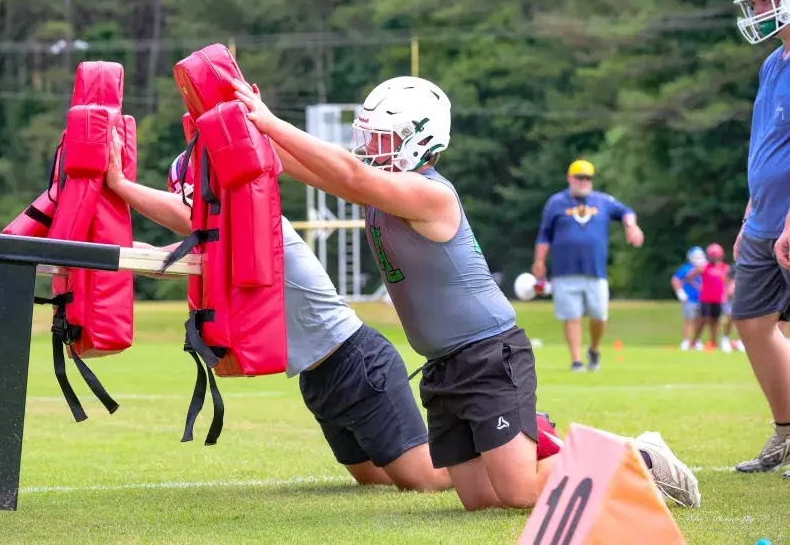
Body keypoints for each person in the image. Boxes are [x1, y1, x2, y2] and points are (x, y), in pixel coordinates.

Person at [231, 75, 700, 509]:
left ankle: (639, 456)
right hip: (444, 362)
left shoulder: (430, 193)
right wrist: (251, 132)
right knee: (481, 499)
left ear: (420, 141)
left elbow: (350, 176)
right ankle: (536, 435)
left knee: (519, 492)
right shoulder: (383, 188)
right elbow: (309, 170)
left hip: (486, 353)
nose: (370, 147)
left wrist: (269, 120)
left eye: (383, 138)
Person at [105, 143, 452, 493]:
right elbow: (158, 260)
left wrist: (121, 184)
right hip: (316, 376)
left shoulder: (257, 226)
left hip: (356, 363)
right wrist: (97, 250)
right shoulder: (216, 246)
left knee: (424, 481)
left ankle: (479, 456)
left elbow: (184, 222)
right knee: (374, 481)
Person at [730, 0, 790, 477]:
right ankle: (786, 432)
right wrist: (751, 211)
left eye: (761, 1)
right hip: (763, 219)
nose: (755, 12)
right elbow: (765, 142)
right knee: (752, 321)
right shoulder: (772, 63)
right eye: (750, 4)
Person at [532, 159, 645, 372]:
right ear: (570, 178)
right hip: (565, 270)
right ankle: (576, 360)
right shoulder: (556, 203)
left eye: (588, 178)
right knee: (571, 316)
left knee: (599, 316)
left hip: (595, 270)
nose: (583, 181)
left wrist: (631, 226)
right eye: (579, 177)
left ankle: (594, 348)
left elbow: (626, 211)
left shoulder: (602, 201)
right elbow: (544, 235)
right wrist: (539, 261)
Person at [685, 244, 730, 350]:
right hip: (706, 299)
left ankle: (714, 342)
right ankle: (694, 341)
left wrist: (726, 290)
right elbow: (689, 276)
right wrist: (698, 286)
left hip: (718, 299)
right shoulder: (704, 267)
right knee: (704, 319)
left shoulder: (724, 268)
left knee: (715, 321)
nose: (714, 258)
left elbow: (728, 280)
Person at [671, 247, 705, 351]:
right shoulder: (686, 268)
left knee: (699, 321)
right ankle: (685, 341)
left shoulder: (705, 268)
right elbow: (675, 280)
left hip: (703, 298)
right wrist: (680, 292)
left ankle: (696, 341)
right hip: (690, 299)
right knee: (688, 320)